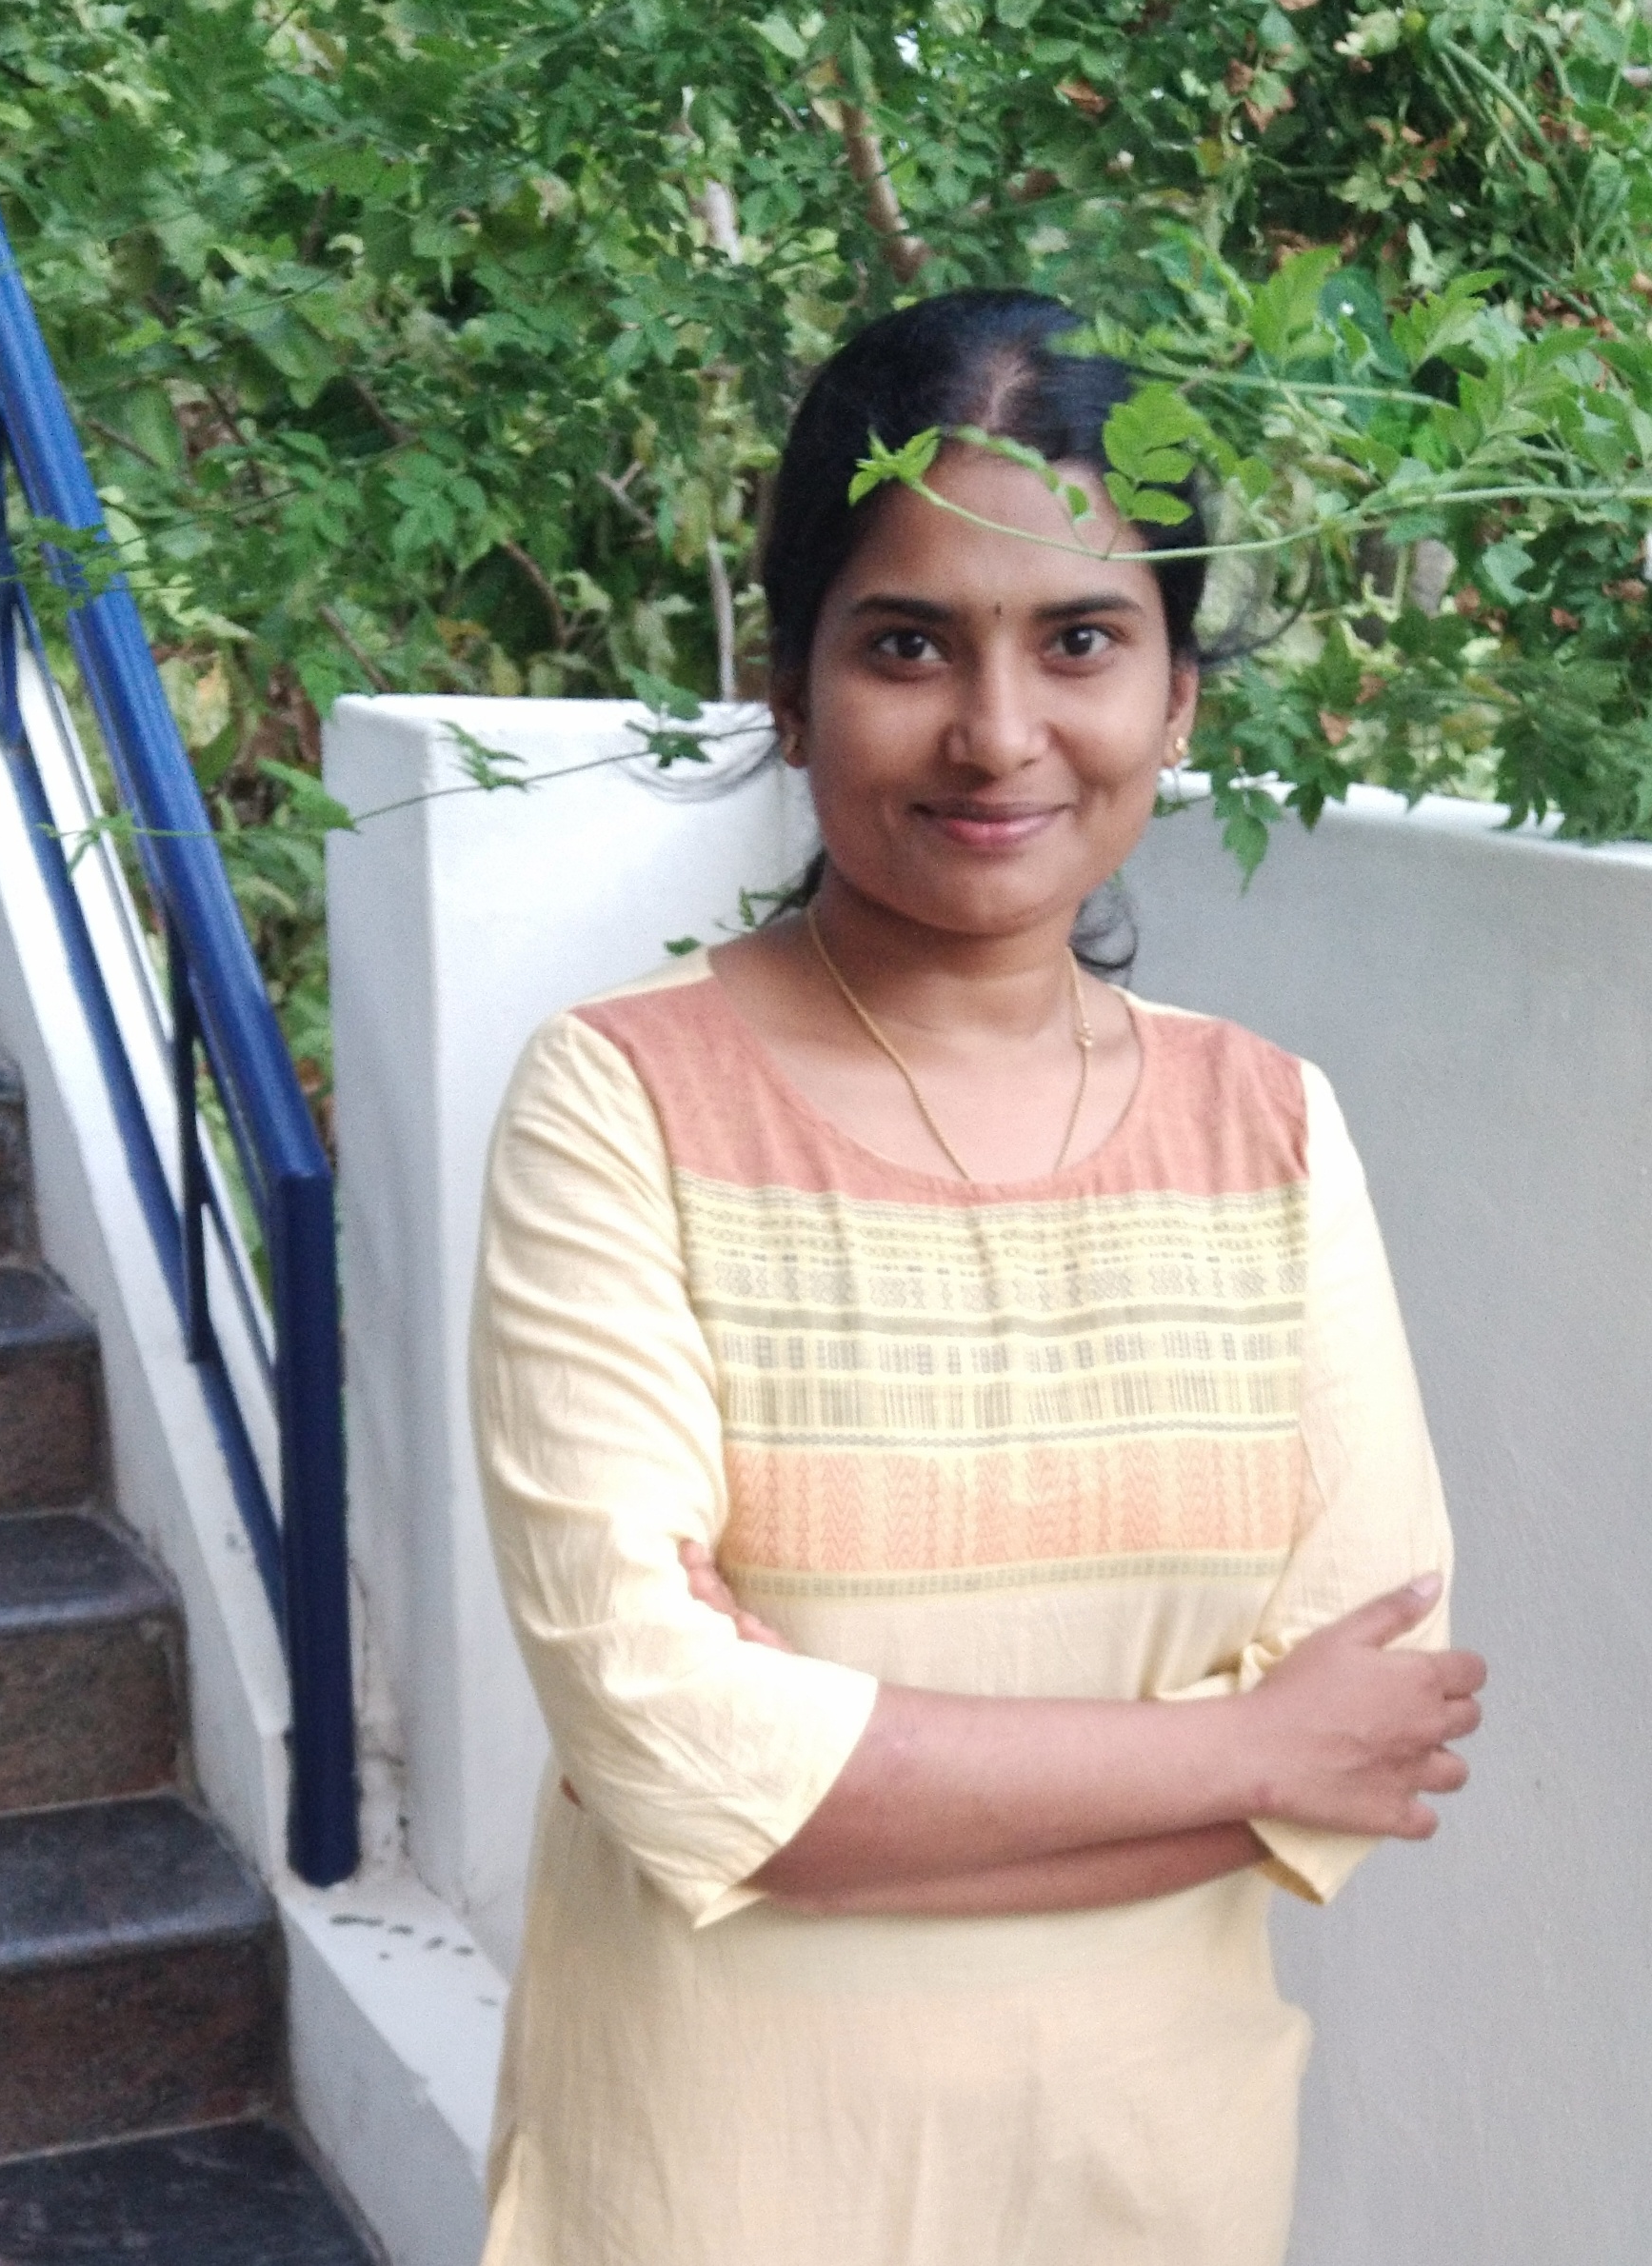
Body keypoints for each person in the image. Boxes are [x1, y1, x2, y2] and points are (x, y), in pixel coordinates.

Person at [469, 288, 1484, 2266]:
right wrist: (1239, 1750)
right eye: (908, 642)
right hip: (713, 2191)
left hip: (1154, 2187)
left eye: (1081, 639)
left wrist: (822, 1805)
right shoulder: (623, 1104)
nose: (998, 731)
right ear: (791, 687)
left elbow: (1367, 1737)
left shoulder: (1271, 1125)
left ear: (1178, 697)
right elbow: (668, 1745)